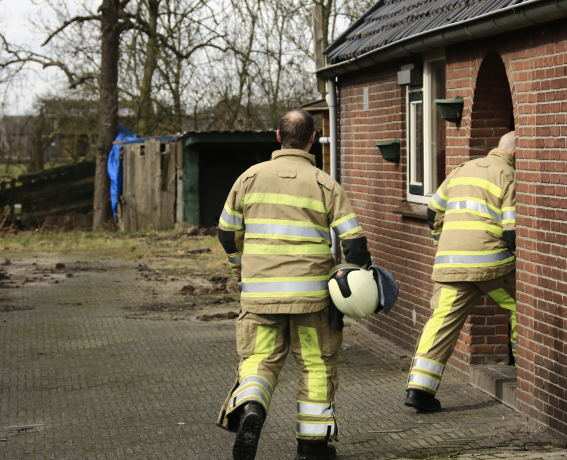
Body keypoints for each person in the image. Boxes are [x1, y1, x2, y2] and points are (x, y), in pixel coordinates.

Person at [216, 109, 372, 460]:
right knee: (315, 365)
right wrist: (360, 281)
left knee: (259, 359)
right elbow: (354, 244)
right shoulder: (324, 183)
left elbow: (227, 232)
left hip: (260, 297)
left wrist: (242, 267)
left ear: (277, 136)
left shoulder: (248, 178)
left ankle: (252, 406)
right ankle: (311, 447)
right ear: (313, 139)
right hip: (312, 300)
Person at [404, 131, 518, 413]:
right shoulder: (509, 175)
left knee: (440, 322)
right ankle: (525, 372)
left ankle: (419, 390)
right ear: (516, 154)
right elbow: (513, 231)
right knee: (521, 307)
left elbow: (432, 213)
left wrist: (441, 244)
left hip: (450, 264)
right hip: (492, 266)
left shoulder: (460, 171)